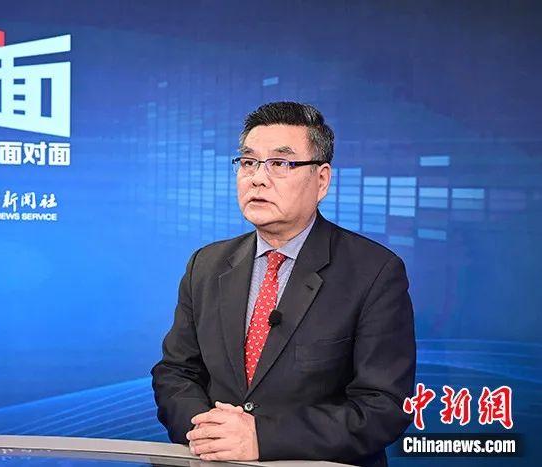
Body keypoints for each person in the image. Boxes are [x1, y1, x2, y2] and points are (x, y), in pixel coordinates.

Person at [151, 101, 415, 467]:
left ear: (321, 180)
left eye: (280, 163)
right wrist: (210, 433)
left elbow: (382, 406)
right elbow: (176, 372)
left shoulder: (374, 272)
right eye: (248, 162)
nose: (258, 178)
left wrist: (262, 438)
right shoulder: (206, 265)